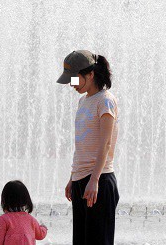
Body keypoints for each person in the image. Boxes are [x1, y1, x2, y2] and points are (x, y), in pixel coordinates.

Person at [57, 50, 120, 245]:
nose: (71, 84)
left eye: (74, 79)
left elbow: (105, 144)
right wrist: (72, 177)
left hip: (99, 180)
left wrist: (94, 180)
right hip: (81, 180)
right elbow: (82, 145)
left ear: (90, 74)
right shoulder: (82, 102)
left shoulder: (106, 101)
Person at [0, 180, 47, 245]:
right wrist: (43, 228)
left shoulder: (3, 220)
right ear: (26, 199)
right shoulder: (31, 219)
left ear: (5, 199)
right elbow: (40, 235)